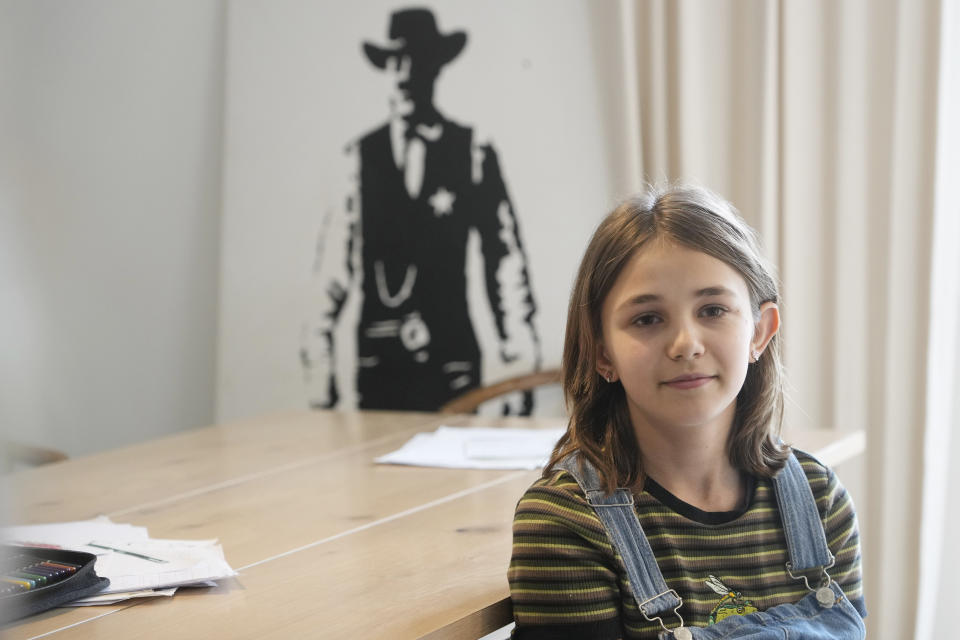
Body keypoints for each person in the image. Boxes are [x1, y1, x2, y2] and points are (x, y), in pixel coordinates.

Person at [508, 185, 866, 638]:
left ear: (760, 331)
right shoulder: (566, 524)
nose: (686, 345)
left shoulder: (820, 500)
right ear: (602, 353)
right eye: (647, 319)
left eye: (713, 309)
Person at [301, 8, 539, 413]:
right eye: (396, 61)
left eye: (419, 59)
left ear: (437, 66)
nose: (407, 74)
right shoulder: (357, 160)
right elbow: (332, 275)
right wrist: (319, 379)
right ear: (386, 68)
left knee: (456, 474)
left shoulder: (474, 152)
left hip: (454, 361)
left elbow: (504, 261)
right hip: (380, 364)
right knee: (376, 473)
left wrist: (519, 365)